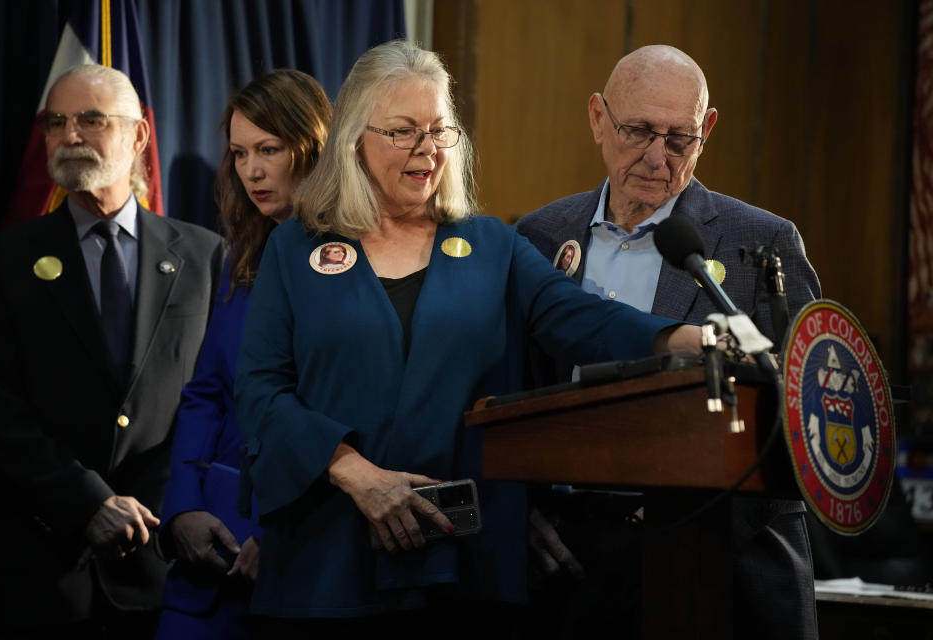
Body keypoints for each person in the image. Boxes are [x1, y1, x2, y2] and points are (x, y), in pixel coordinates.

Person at [233, 39, 702, 634]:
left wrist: (687, 341)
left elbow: (587, 320)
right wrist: (354, 472)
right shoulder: (294, 249)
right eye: (403, 131)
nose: (427, 150)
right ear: (355, 137)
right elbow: (259, 390)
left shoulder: (492, 247)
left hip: (462, 570)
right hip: (326, 564)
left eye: (440, 130)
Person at [516, 44, 821, 638]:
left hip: (714, 556)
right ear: (597, 119)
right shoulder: (540, 235)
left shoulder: (760, 243)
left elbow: (800, 415)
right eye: (639, 132)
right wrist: (520, 512)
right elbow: (511, 388)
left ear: (707, 129)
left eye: (680, 138)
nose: (658, 158)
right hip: (569, 556)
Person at [0, 64, 224, 638]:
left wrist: (173, 508)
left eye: (91, 119)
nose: (70, 136)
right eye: (56, 122)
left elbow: (212, 399)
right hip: (40, 574)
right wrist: (84, 503)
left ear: (138, 136)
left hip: (168, 564)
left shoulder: (206, 257)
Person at [155, 70, 331, 639]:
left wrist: (278, 532)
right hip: (207, 555)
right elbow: (206, 392)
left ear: (312, 145)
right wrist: (182, 506)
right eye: (238, 153)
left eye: (269, 150)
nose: (251, 170)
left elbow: (350, 414)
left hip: (306, 555)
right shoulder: (240, 257)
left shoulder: (357, 261)